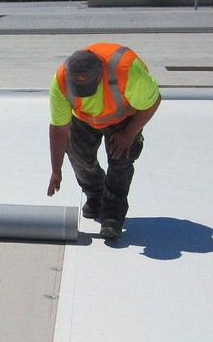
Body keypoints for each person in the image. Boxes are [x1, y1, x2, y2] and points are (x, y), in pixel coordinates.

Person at [47, 43, 161, 239]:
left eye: (88, 88)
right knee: (78, 154)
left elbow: (153, 102)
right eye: (79, 88)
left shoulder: (127, 71)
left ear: (101, 74)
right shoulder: (61, 82)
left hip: (124, 118)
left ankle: (112, 215)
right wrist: (56, 171)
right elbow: (59, 129)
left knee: (121, 159)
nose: (83, 93)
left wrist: (129, 133)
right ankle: (96, 195)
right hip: (85, 118)